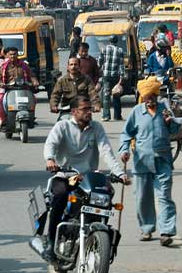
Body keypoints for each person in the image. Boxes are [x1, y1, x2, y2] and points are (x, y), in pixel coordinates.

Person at [42, 96, 128, 259]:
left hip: (88, 177)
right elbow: (50, 144)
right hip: (65, 174)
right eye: (85, 109)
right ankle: (51, 239)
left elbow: (106, 151)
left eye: (90, 108)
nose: (89, 112)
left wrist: (120, 173)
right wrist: (50, 159)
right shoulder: (63, 126)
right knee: (59, 196)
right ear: (74, 112)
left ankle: (99, 237)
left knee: (105, 196)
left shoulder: (96, 128)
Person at [119, 78, 180, 246]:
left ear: (157, 94)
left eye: (153, 95)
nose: (150, 98)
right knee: (142, 198)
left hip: (163, 160)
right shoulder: (137, 112)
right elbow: (126, 134)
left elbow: (175, 131)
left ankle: (166, 231)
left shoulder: (164, 110)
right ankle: (147, 228)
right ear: (143, 97)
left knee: (164, 196)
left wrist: (171, 122)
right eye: (147, 96)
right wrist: (124, 150)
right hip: (142, 162)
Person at [98, 35, 125, 121]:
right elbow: (121, 65)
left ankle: (106, 116)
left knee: (106, 96)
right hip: (116, 76)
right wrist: (121, 78)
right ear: (117, 41)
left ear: (109, 41)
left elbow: (100, 62)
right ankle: (117, 116)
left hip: (106, 76)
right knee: (116, 96)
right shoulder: (120, 50)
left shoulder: (104, 49)